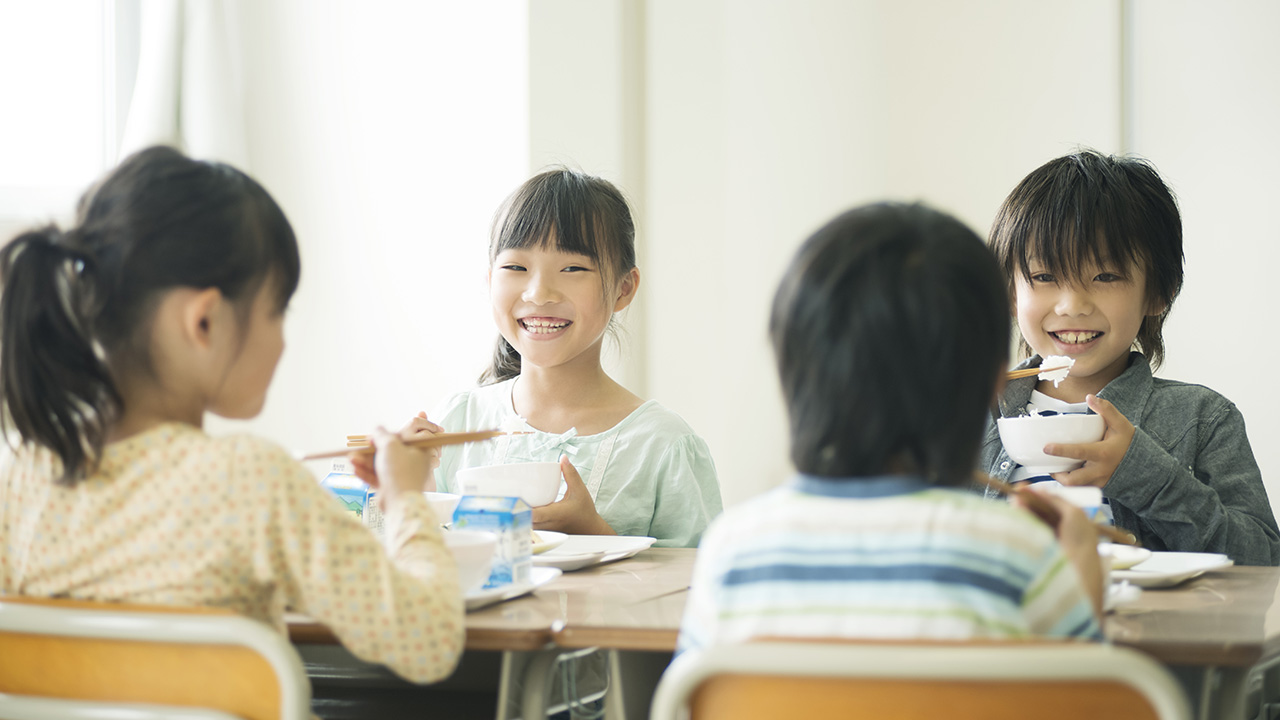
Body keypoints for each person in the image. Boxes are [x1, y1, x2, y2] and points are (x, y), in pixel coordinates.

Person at [0, 146, 464, 684]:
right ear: (204, 323)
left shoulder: (23, 474)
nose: (283, 340)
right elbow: (429, 640)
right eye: (276, 310)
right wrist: (405, 496)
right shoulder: (251, 482)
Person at [677, 203, 1103, 653]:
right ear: (996, 382)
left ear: (793, 370)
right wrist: (1084, 594)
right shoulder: (1020, 557)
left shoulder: (731, 552)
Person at [360, 168, 721, 549]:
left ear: (623, 288)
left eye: (573, 269)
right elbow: (424, 572)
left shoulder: (664, 444)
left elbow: (701, 588)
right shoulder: (457, 422)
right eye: (516, 267)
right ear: (489, 281)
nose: (538, 293)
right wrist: (413, 488)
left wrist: (595, 534)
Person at [982, 149, 1279, 566]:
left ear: (1159, 292)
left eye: (1105, 276)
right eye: (1045, 276)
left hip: (1147, 630)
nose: (1071, 305)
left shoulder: (1202, 418)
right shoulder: (969, 415)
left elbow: (1264, 565)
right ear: (1012, 292)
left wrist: (1147, 477)